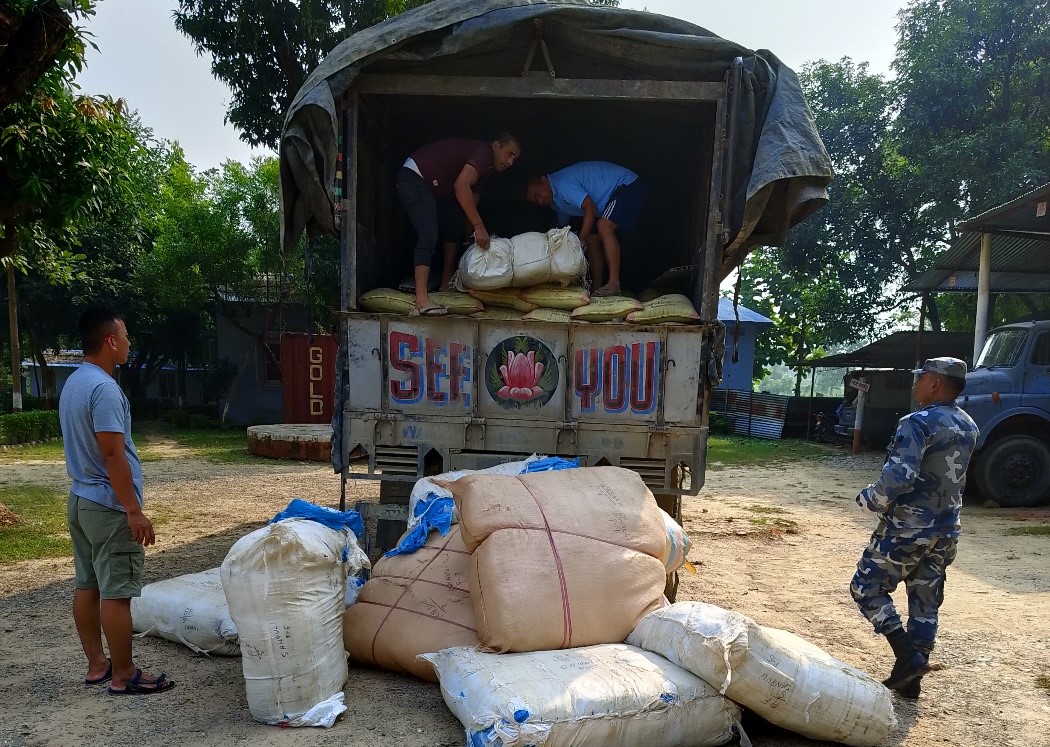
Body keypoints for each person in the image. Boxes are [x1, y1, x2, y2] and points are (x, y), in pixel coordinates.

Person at [59, 307, 175, 696]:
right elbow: (112, 455)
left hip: (80, 500)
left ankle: (98, 666)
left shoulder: (74, 383)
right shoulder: (105, 389)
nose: (129, 343)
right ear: (110, 340)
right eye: (125, 336)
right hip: (108, 505)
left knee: (87, 585)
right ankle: (124, 674)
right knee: (117, 591)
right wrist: (134, 510)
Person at [850, 357, 978, 698]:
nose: (915, 383)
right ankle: (911, 682)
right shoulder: (969, 425)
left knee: (866, 588)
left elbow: (899, 477)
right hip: (946, 530)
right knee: (925, 601)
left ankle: (907, 657)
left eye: (921, 377)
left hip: (907, 528)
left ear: (935, 383)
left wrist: (871, 499)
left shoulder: (916, 423)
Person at [396, 133, 522, 315]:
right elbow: (461, 185)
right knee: (428, 233)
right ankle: (422, 300)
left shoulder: (487, 170)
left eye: (514, 159)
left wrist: (470, 240)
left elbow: (471, 202)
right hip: (414, 177)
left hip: (432, 189)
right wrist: (479, 227)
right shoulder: (483, 153)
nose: (510, 162)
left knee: (453, 221)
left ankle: (446, 284)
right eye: (508, 154)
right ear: (495, 146)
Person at [526, 161, 646, 296]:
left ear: (544, 181)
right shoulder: (556, 204)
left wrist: (581, 238)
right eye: (536, 201)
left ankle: (614, 283)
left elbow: (590, 207)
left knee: (603, 226)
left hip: (627, 185)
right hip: (610, 199)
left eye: (538, 195)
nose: (540, 201)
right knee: (592, 239)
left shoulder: (562, 184)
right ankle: (596, 287)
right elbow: (562, 230)